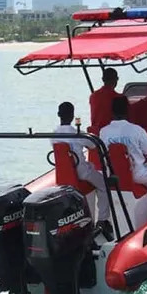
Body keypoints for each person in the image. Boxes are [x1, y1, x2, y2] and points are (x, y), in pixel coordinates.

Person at [99, 96, 147, 215]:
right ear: (128, 111)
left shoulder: (103, 132)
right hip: (137, 174)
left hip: (113, 174)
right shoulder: (137, 130)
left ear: (112, 111)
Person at [51, 102, 114, 240]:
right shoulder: (77, 134)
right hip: (81, 172)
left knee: (90, 167)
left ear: (58, 115)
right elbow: (92, 145)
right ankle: (103, 219)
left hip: (64, 173)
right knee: (104, 185)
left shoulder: (53, 134)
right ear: (73, 116)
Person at [88, 67, 121, 133]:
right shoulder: (119, 98)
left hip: (95, 135)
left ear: (103, 79)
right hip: (112, 134)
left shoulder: (93, 96)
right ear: (117, 79)